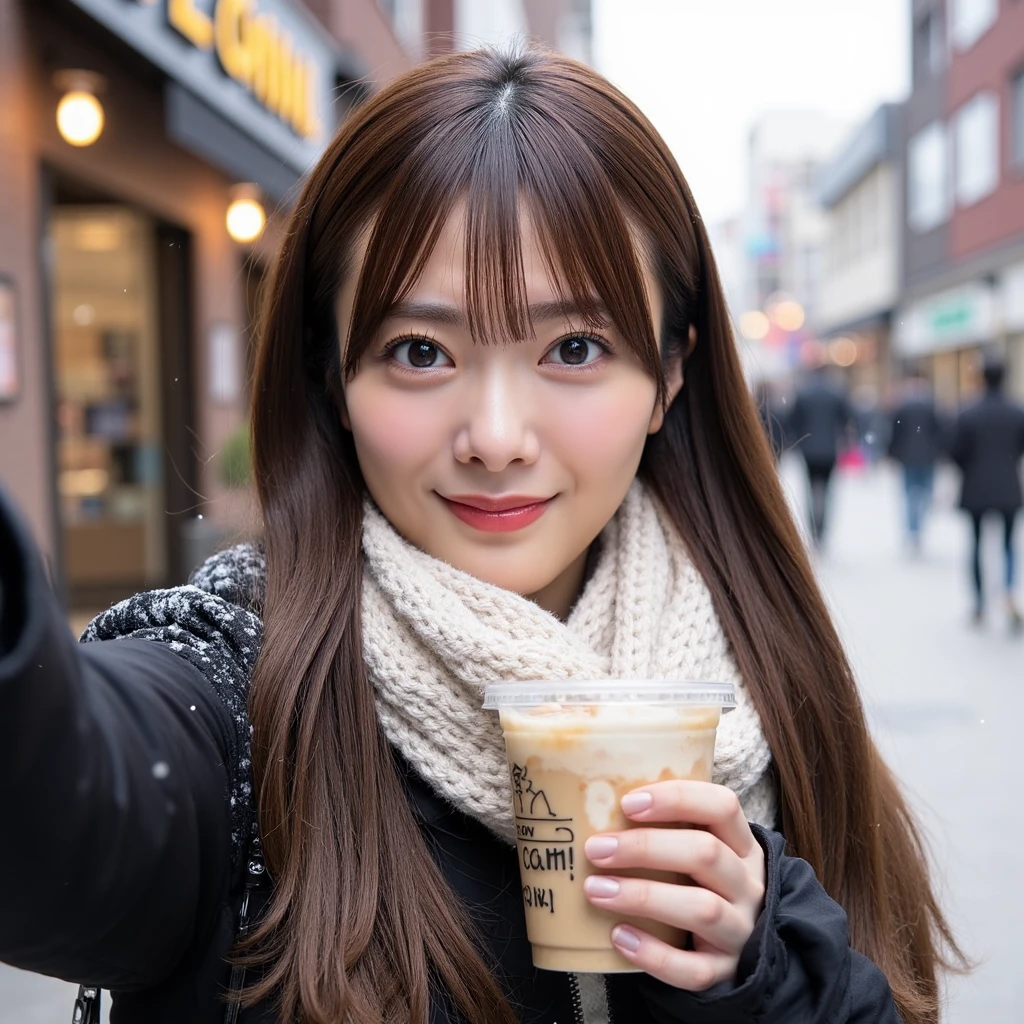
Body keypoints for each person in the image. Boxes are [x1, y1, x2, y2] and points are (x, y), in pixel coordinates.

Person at [0, 48, 963, 1024]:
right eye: (419, 352)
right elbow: (67, 805)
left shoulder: (771, 683)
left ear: (670, 373)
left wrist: (769, 973)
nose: (496, 438)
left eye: (573, 348)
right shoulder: (246, 689)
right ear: (334, 377)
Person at [951, 356, 1024, 630]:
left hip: (976, 487)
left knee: (977, 543)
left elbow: (956, 451)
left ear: (982, 377)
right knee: (1008, 544)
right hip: (1008, 486)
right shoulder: (1017, 411)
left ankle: (980, 603)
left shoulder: (968, 412)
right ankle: (1007, 592)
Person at [787, 364, 856, 547]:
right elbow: (847, 419)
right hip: (830, 450)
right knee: (827, 490)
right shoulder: (836, 392)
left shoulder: (803, 393)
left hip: (808, 450)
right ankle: (822, 529)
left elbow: (793, 422)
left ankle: (814, 529)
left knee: (811, 490)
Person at [887, 374, 946, 553]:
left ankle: (913, 529)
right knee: (925, 493)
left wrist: (892, 452)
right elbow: (940, 431)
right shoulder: (931, 406)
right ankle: (918, 526)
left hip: (908, 456)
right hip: (928, 456)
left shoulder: (903, 406)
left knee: (909, 494)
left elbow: (895, 431)